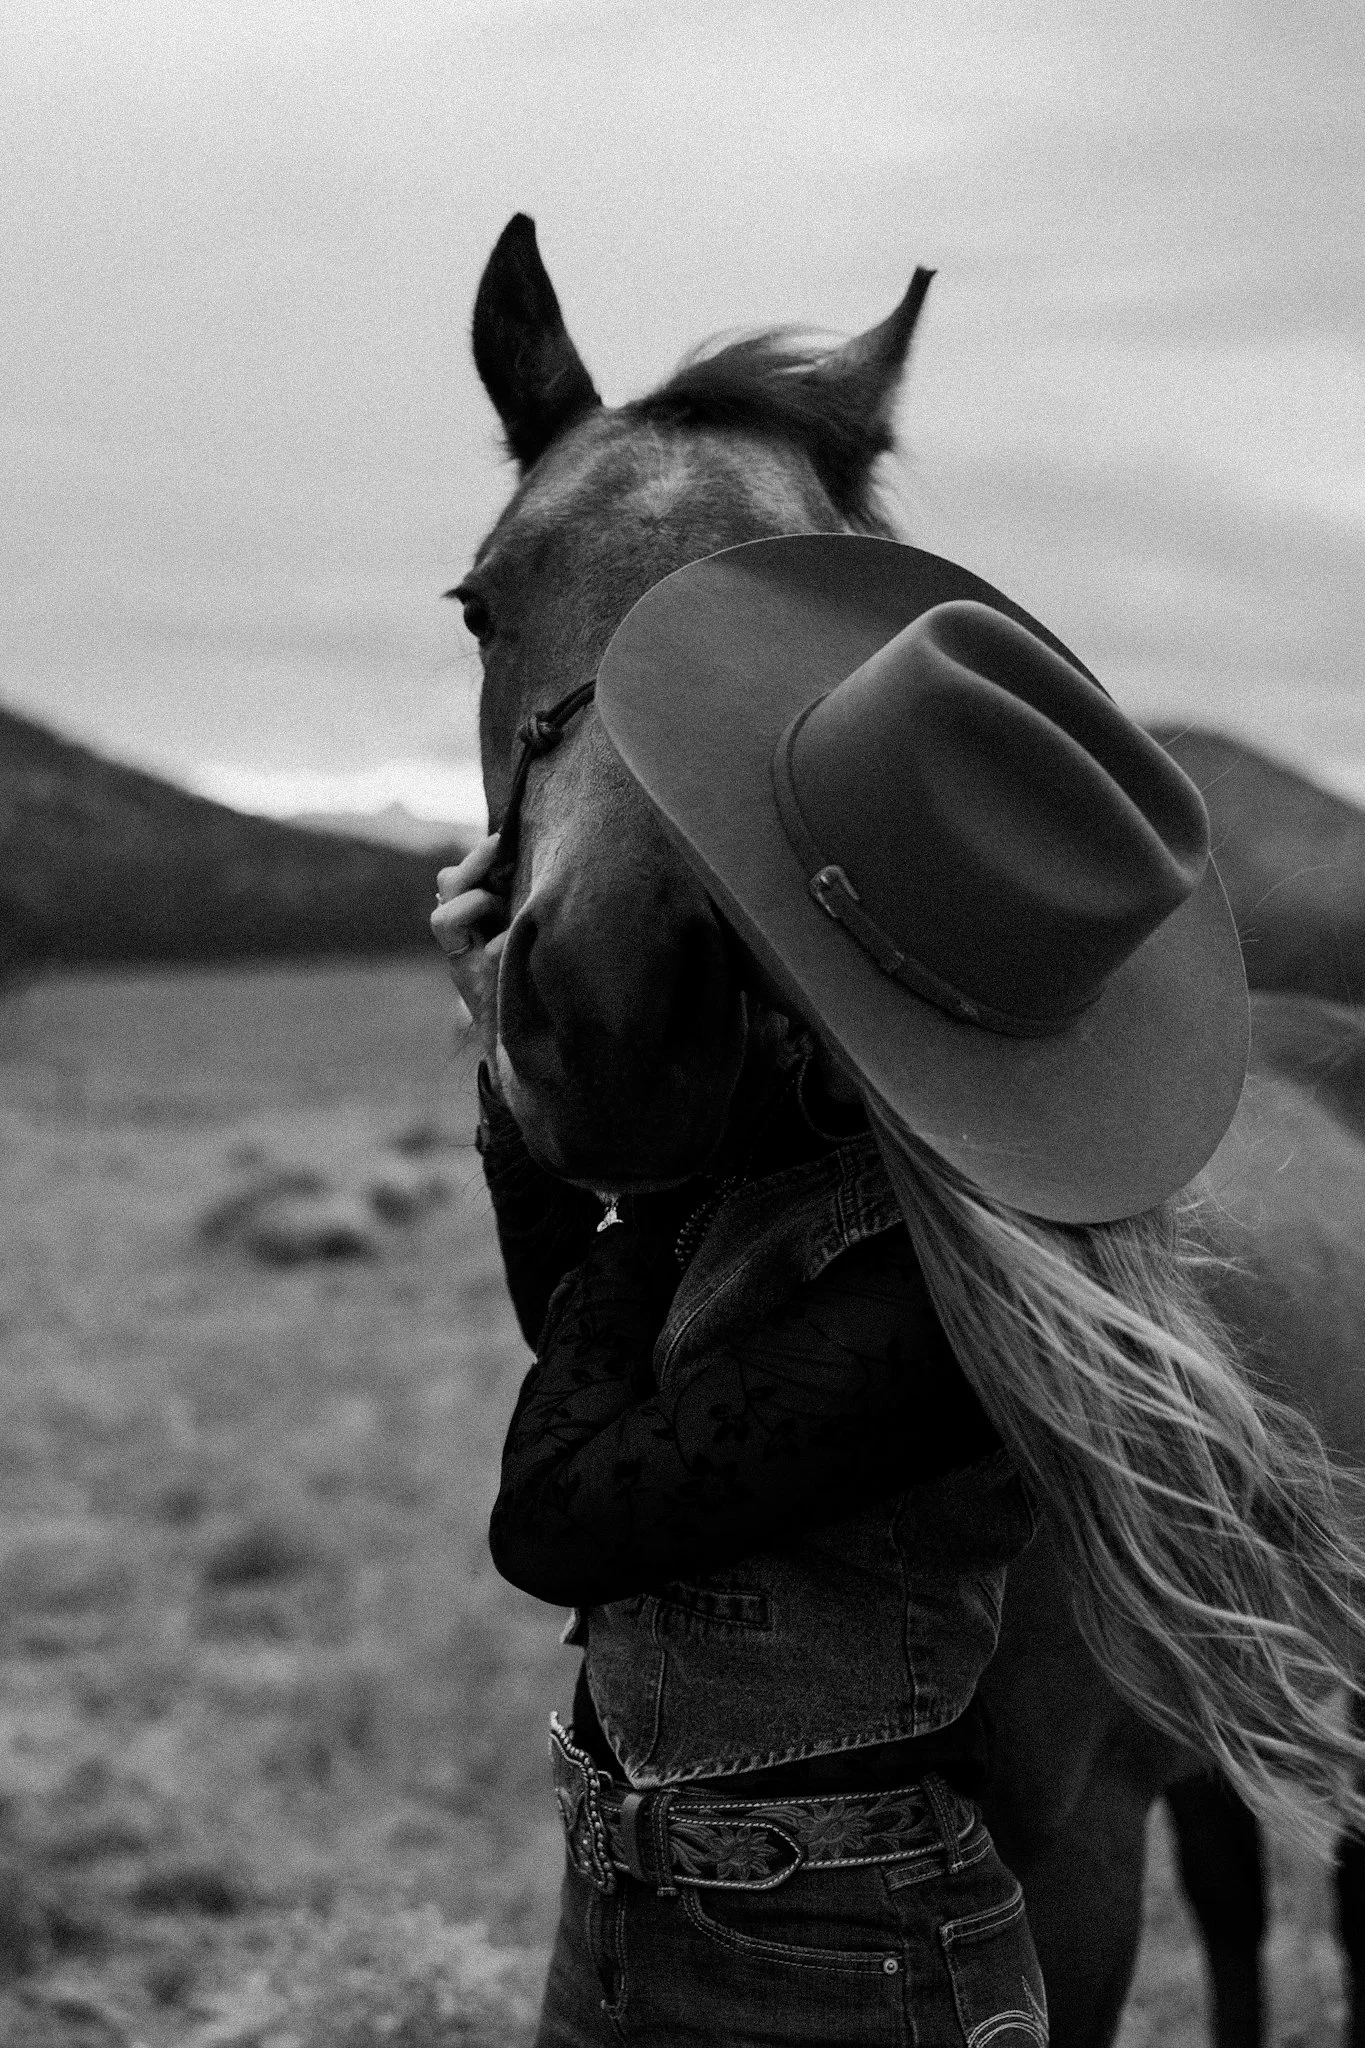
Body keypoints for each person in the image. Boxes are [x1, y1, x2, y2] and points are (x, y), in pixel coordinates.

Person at [433, 536, 1365, 2048]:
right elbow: (623, 1381)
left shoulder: (936, 1300)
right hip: (647, 1912)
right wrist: (518, 1075)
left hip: (842, 1960)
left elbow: (561, 1513)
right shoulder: (809, 1174)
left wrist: (618, 1159)